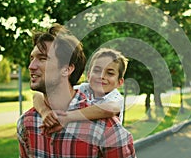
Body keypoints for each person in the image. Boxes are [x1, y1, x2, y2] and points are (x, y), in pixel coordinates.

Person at [17, 23, 136, 157]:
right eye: (32, 58)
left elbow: (112, 108)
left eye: (43, 58)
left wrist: (65, 118)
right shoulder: (26, 123)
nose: (31, 66)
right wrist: (45, 112)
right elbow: (37, 96)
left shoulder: (107, 128)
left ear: (67, 69)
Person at [33, 48, 128, 134]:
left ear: (119, 82)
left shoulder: (115, 97)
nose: (101, 76)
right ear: (89, 75)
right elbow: (37, 95)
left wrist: (67, 117)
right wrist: (45, 112)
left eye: (110, 73)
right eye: (97, 70)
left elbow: (110, 109)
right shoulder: (84, 88)